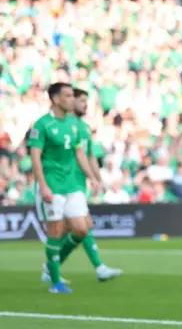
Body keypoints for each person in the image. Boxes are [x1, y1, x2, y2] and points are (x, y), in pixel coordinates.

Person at [41, 88, 122, 284]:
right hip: (63, 183)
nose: (85, 105)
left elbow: (89, 155)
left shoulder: (84, 127)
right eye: (81, 100)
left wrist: (97, 178)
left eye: (87, 101)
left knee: (78, 229)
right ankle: (98, 267)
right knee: (82, 227)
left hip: (79, 183)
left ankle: (52, 266)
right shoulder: (59, 126)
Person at [28, 82, 100, 293]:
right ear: (56, 99)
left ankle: (52, 265)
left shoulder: (74, 125)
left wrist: (92, 177)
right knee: (56, 232)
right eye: (67, 96)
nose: (71, 99)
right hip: (53, 186)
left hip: (72, 186)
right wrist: (43, 186)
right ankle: (56, 282)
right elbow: (35, 159)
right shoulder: (42, 125)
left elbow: (80, 153)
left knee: (81, 229)